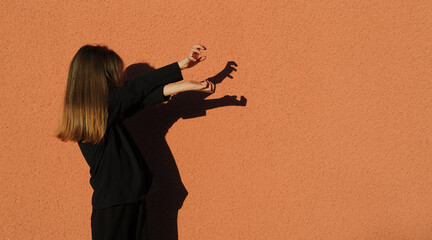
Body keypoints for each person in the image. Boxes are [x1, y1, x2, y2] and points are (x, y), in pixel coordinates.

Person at [55, 44, 214, 239]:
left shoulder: (103, 113)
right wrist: (181, 65)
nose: (118, 80)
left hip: (129, 200)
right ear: (96, 78)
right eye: (112, 75)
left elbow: (142, 99)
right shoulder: (102, 109)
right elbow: (136, 89)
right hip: (114, 208)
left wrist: (186, 85)